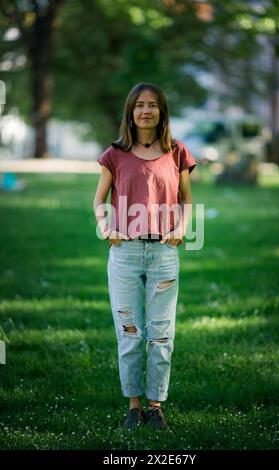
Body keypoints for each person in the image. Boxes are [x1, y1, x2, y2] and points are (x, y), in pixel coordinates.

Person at [93, 82, 196, 431]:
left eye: (153, 105)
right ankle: (134, 406)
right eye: (140, 105)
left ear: (162, 112)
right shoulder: (114, 154)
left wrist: (181, 228)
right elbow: (99, 201)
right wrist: (106, 227)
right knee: (129, 332)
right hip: (125, 253)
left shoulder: (178, 152)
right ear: (131, 112)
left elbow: (186, 200)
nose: (146, 110)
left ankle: (155, 406)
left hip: (164, 252)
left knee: (161, 334)